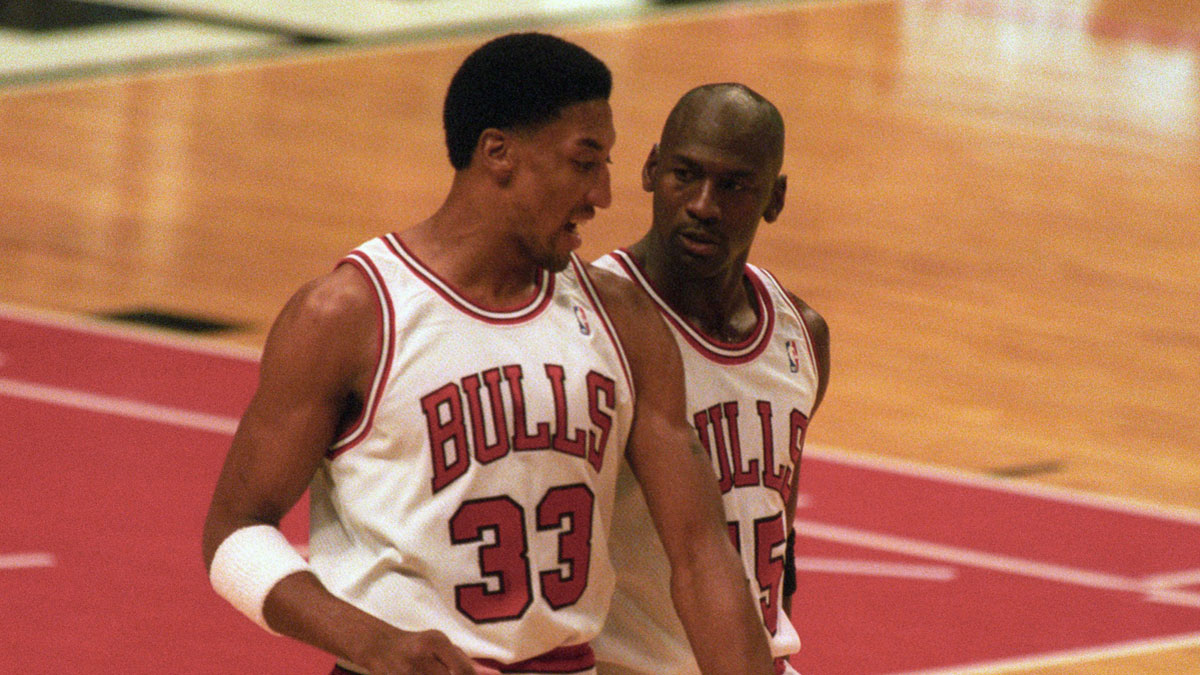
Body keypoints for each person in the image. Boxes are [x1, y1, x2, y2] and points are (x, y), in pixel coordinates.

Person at [201, 33, 774, 675]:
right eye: (585, 162)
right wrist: (368, 640)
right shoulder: (351, 314)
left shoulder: (624, 319)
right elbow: (235, 533)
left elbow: (701, 556)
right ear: (497, 153)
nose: (604, 194)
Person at [590, 83, 831, 675]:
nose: (703, 204)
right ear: (649, 170)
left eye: (734, 185)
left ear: (774, 198)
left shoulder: (802, 332)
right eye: (685, 175)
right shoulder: (591, 323)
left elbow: (778, 532)